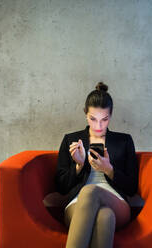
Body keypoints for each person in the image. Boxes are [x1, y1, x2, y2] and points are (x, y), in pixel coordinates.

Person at [54, 82, 139, 248]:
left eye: (104, 119)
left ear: (111, 115)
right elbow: (61, 187)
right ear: (85, 113)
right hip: (77, 204)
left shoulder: (124, 141)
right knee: (105, 217)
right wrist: (78, 166)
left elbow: (132, 187)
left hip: (116, 201)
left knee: (91, 190)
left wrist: (109, 170)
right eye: (93, 119)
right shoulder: (70, 140)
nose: (98, 126)